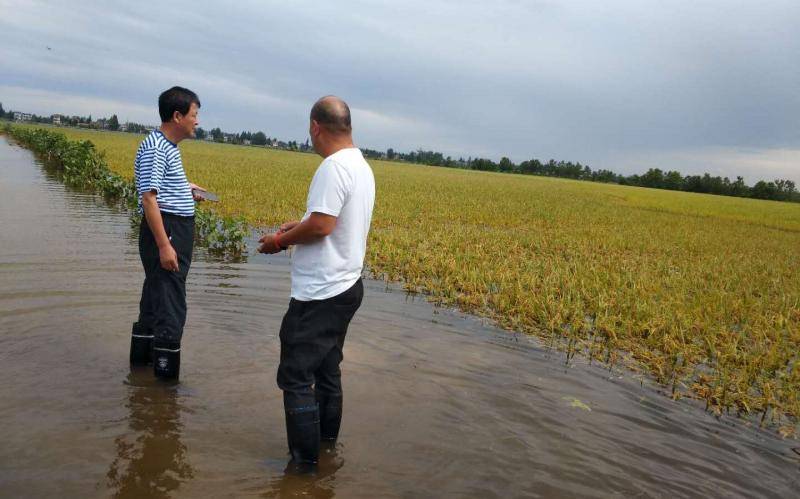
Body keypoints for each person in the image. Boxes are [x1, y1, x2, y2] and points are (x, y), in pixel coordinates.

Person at [259, 96, 375, 467]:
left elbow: (324, 226)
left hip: (320, 292)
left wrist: (280, 241)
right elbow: (328, 220)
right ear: (349, 126)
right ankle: (326, 449)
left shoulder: (333, 167)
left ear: (315, 127)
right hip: (346, 286)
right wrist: (300, 224)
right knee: (327, 370)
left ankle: (303, 470)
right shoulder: (360, 165)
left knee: (295, 377)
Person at [129, 86, 206, 381]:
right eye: (193, 115)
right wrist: (164, 245)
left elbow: (159, 189)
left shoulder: (165, 147)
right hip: (167, 230)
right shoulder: (157, 147)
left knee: (155, 299)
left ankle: (140, 374)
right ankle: (164, 392)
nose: (196, 121)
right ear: (177, 116)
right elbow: (149, 198)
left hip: (171, 227)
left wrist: (186, 190)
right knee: (171, 305)